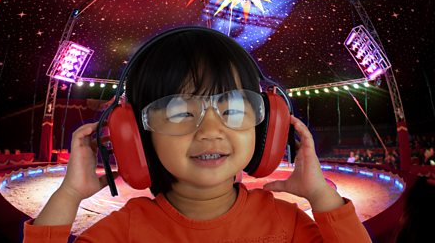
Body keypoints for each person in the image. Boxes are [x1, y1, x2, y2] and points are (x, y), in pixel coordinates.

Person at [23, 27, 371, 242]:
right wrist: (69, 195)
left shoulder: (287, 224)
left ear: (266, 127)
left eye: (233, 109)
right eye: (180, 113)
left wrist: (320, 195)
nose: (210, 129)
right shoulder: (123, 233)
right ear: (136, 136)